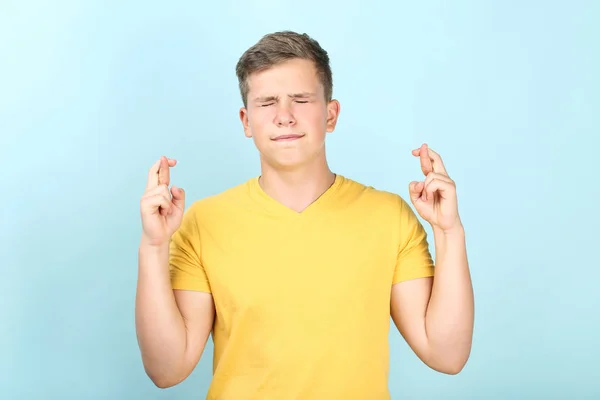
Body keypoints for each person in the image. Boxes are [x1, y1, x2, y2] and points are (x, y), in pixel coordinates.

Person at [135, 31, 474, 399]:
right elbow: (167, 370)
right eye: (267, 103)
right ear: (246, 121)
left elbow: (447, 354)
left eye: (300, 99)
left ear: (330, 114)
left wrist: (448, 231)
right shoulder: (204, 222)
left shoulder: (390, 217)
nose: (284, 116)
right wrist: (154, 246)